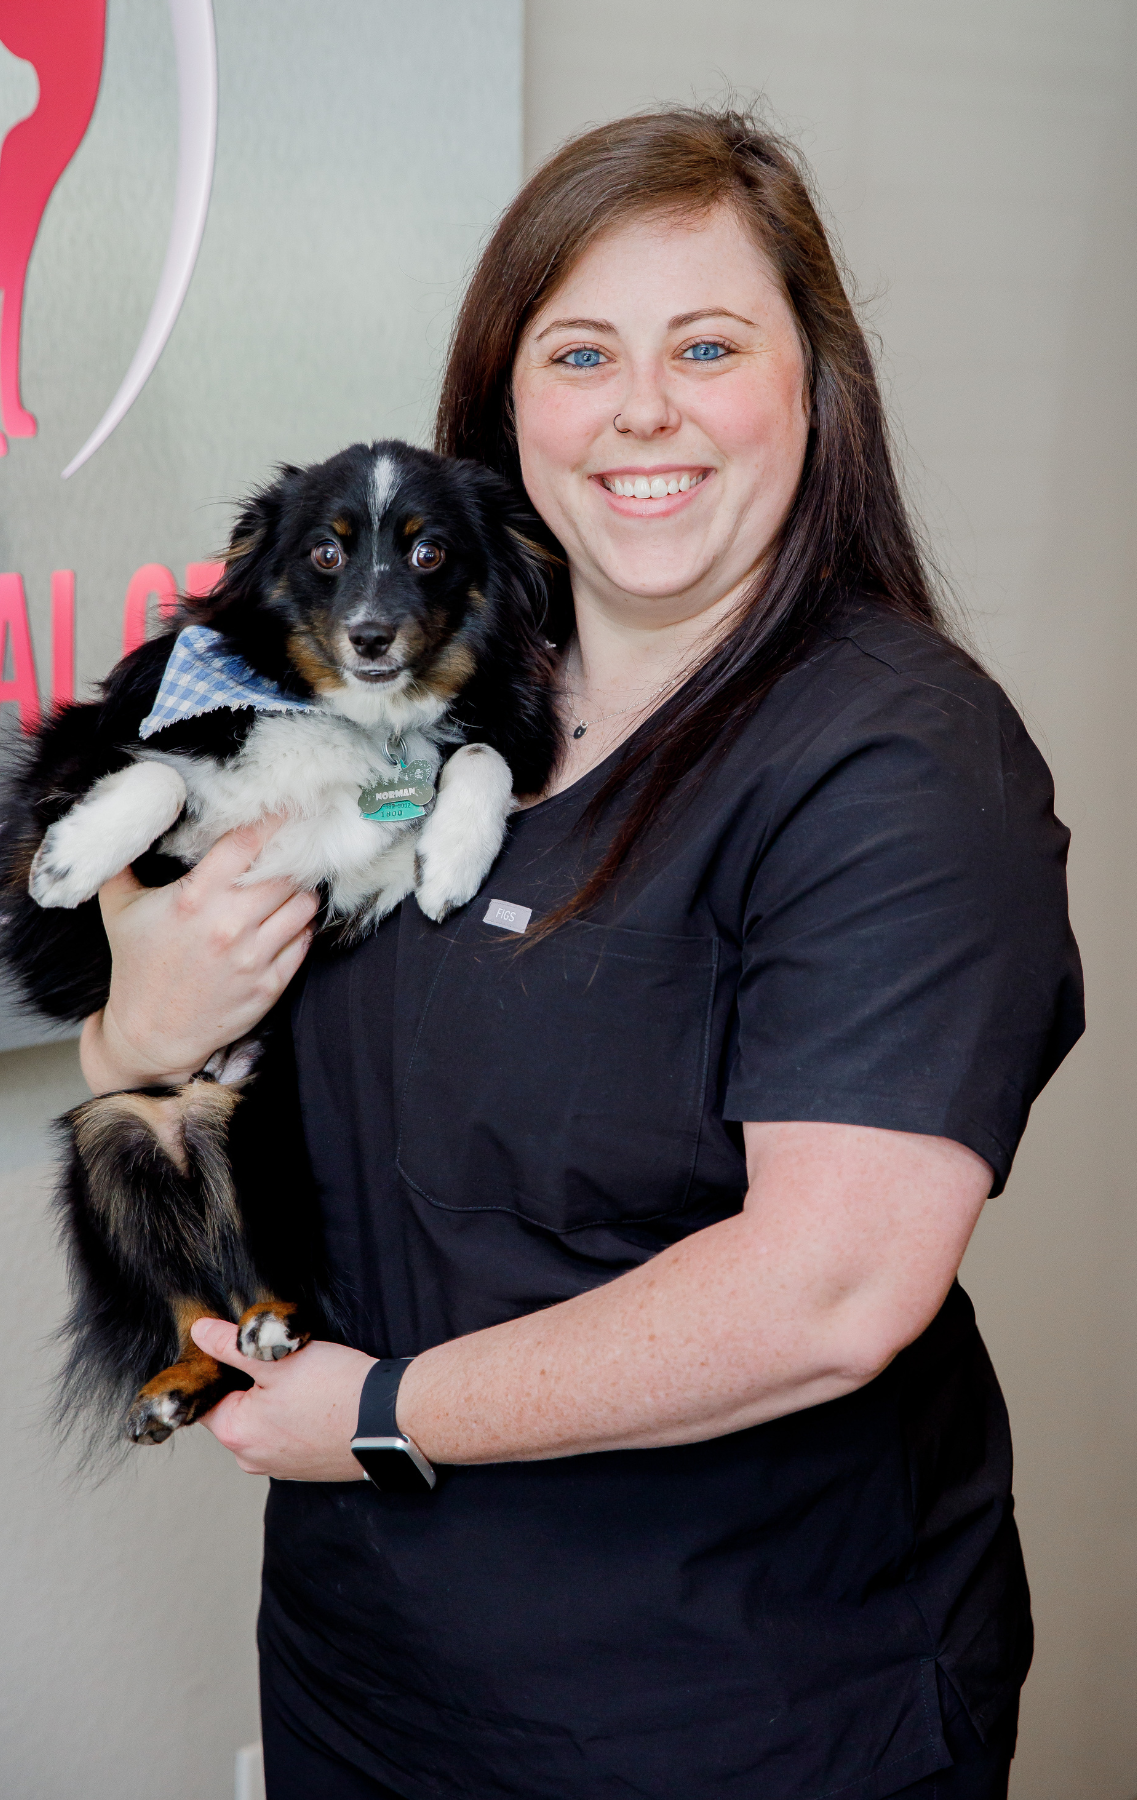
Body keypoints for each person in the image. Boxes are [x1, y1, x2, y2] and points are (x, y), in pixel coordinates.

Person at [79, 109, 1083, 1800]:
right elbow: (190, 1078)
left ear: (814, 389)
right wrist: (136, 1029)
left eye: (708, 346)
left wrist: (381, 1414)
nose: (641, 410)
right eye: (580, 352)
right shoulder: (412, 727)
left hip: (735, 1709)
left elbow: (831, 1291)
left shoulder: (893, 761)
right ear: (504, 402)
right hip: (368, 1683)